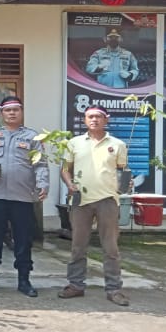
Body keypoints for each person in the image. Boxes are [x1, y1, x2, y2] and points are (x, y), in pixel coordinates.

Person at [0, 96, 49, 297]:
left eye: (16, 110)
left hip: (22, 197)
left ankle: (24, 280)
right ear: (1, 113)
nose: (12, 113)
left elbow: (40, 163)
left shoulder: (33, 137)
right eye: (8, 110)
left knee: (23, 239)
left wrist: (43, 183)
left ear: (21, 112)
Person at [58, 106, 130, 306]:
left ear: (106, 120)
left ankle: (114, 289)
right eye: (90, 116)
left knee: (111, 247)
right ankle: (75, 285)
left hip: (108, 200)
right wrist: (69, 184)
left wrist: (125, 183)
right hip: (81, 199)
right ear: (84, 120)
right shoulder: (74, 143)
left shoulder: (117, 144)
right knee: (78, 246)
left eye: (98, 117)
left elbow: (123, 171)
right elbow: (65, 169)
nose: (94, 120)